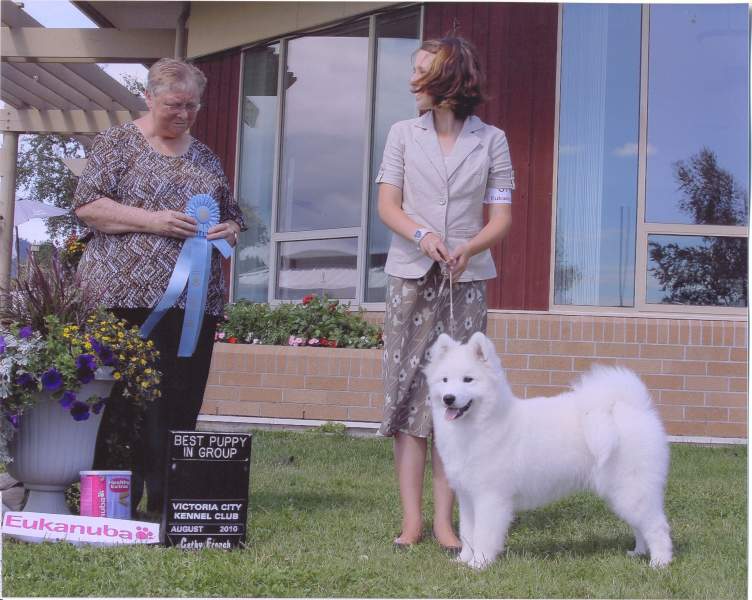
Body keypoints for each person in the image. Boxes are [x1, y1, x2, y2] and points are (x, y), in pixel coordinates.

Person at [73, 58, 246, 515]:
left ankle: (169, 499)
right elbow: (88, 206)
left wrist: (228, 230)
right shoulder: (116, 143)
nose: (184, 114)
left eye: (192, 106)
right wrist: (153, 221)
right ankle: (113, 501)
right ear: (149, 98)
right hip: (121, 299)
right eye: (174, 105)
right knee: (123, 401)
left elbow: (233, 215)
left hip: (195, 305)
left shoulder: (205, 156)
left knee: (180, 397)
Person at [376, 37, 515, 550]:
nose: (412, 80)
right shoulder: (401, 134)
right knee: (410, 395)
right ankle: (412, 522)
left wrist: (468, 247)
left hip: (466, 281)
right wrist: (423, 235)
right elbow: (388, 206)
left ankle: (445, 523)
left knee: (458, 398)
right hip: (409, 277)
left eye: (421, 71)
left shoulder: (492, 140)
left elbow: (501, 217)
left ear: (448, 78)